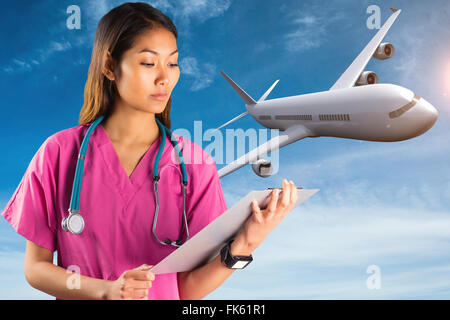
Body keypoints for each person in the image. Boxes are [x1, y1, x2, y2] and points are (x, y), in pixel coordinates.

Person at [0, 2, 299, 300]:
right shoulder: (58, 154)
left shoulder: (194, 164)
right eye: (148, 63)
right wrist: (106, 291)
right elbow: (36, 268)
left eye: (172, 63)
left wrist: (245, 244)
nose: (164, 78)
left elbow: (186, 289)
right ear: (109, 66)